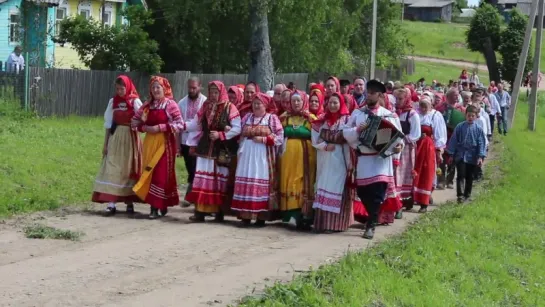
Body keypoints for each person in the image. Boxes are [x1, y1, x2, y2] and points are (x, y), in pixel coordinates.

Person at [343, 80, 404, 239]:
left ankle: (371, 225)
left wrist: (397, 149)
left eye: (372, 93)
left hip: (380, 161)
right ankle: (373, 217)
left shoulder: (388, 115)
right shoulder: (358, 114)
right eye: (367, 92)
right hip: (364, 159)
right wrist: (358, 130)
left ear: (379, 95)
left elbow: (399, 140)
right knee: (363, 193)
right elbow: (346, 133)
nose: (368, 95)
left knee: (377, 193)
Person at [185, 81, 242, 222]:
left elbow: (237, 128)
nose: (213, 95)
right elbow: (195, 123)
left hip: (221, 148)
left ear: (221, 92)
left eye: (216, 92)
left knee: (219, 180)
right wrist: (181, 126)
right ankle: (200, 211)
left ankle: (219, 211)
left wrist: (221, 135)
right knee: (202, 179)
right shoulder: (205, 106)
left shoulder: (230, 107)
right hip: (205, 147)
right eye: (211, 92)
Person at [131, 76, 184, 219]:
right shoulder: (147, 106)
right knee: (150, 172)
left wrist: (160, 127)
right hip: (149, 143)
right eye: (153, 87)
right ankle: (154, 206)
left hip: (165, 144)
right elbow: (134, 123)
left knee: (161, 174)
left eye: (158, 87)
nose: (155, 90)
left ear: (164, 89)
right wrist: (145, 127)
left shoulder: (170, 104)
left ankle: (158, 205)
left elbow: (180, 124)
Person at [231, 93, 284, 227]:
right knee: (246, 178)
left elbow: (280, 137)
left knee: (260, 181)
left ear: (265, 105)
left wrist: (264, 139)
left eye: (259, 103)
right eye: (254, 103)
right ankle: (245, 216)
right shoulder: (247, 117)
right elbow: (240, 133)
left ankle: (261, 217)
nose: (256, 106)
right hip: (247, 155)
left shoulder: (271, 119)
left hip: (263, 156)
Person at [92, 75, 143, 215]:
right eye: (118, 88)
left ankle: (129, 201)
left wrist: (136, 125)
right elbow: (108, 124)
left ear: (128, 87)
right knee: (113, 167)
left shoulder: (135, 101)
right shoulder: (112, 102)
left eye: (122, 88)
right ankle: (111, 203)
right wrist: (105, 144)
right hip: (116, 137)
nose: (120, 91)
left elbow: (143, 118)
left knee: (128, 168)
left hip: (131, 138)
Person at [311, 92, 354, 233]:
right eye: (330, 103)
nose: (333, 105)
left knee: (338, 186)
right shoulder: (322, 120)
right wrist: (324, 145)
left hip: (341, 158)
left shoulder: (347, 120)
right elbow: (315, 138)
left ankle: (337, 224)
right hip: (326, 157)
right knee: (324, 184)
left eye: (336, 103)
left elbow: (352, 136)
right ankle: (323, 223)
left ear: (341, 104)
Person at [279, 90, 317, 230]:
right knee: (288, 180)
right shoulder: (284, 117)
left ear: (303, 102)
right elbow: (278, 131)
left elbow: (315, 134)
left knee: (303, 182)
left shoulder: (311, 118)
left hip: (305, 157)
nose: (296, 103)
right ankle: (289, 214)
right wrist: (298, 131)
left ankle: (304, 215)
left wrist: (292, 131)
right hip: (287, 157)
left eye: (298, 101)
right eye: (293, 101)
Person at [446, 105, 487, 203]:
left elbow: (481, 143)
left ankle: (467, 194)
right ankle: (460, 195)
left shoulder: (478, 129)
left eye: (473, 116)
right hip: (461, 155)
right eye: (469, 115)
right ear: (466, 115)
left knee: (469, 176)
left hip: (472, 156)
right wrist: (451, 154)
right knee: (461, 175)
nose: (470, 118)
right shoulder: (460, 127)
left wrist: (480, 156)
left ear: (476, 116)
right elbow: (454, 140)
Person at [414, 96, 447, 212]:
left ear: (430, 105)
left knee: (427, 172)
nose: (423, 108)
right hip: (416, 146)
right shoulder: (415, 115)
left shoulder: (435, 115)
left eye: (425, 106)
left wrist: (439, 150)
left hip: (428, 148)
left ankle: (424, 201)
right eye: (421, 105)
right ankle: (413, 198)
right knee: (415, 172)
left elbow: (440, 133)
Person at [178, 77, 207, 208]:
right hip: (185, 140)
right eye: (190, 87)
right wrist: (177, 145)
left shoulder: (205, 102)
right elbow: (178, 124)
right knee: (190, 168)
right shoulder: (182, 103)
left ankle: (191, 196)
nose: (191, 90)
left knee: (197, 169)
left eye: (194, 88)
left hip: (199, 141)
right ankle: (193, 195)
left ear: (200, 87)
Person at [393, 88, 421, 218]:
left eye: (400, 99)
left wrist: (402, 139)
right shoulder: (394, 113)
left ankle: (401, 204)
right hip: (393, 147)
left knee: (402, 176)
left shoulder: (412, 114)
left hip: (406, 149)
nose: (398, 102)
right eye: (396, 99)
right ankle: (394, 202)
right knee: (393, 175)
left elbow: (416, 134)